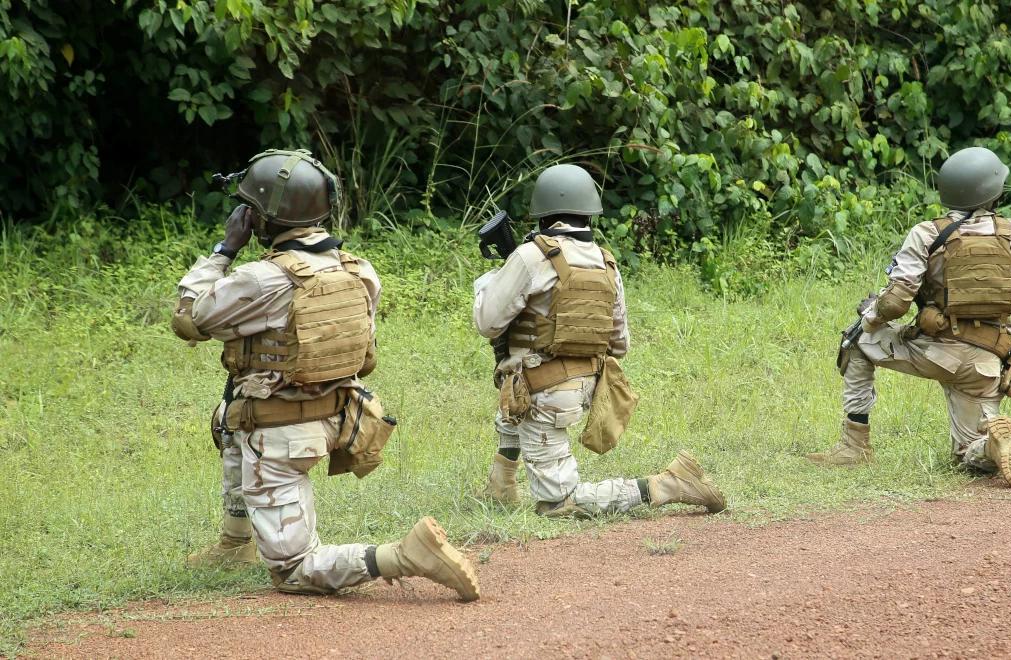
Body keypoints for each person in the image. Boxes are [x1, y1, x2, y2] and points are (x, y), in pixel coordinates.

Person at [172, 148, 479, 599]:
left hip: (280, 436)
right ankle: (235, 542)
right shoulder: (358, 269)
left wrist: (225, 250)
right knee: (229, 413)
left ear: (258, 218)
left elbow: (188, 320)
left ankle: (402, 555)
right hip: (337, 418)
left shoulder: (261, 278)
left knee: (294, 570)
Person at [473, 163, 726, 517]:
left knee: (557, 504)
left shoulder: (530, 257)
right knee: (512, 397)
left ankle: (667, 483)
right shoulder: (607, 262)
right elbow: (619, 344)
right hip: (585, 389)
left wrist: (491, 282)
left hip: (543, 392)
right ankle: (500, 488)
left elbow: (487, 322)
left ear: (543, 214)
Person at [807, 146, 1011, 488]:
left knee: (856, 340)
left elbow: (896, 303)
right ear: (993, 192)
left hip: (936, 351)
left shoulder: (927, 233)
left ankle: (854, 445)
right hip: (988, 362)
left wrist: (870, 314)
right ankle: (991, 445)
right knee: (967, 452)